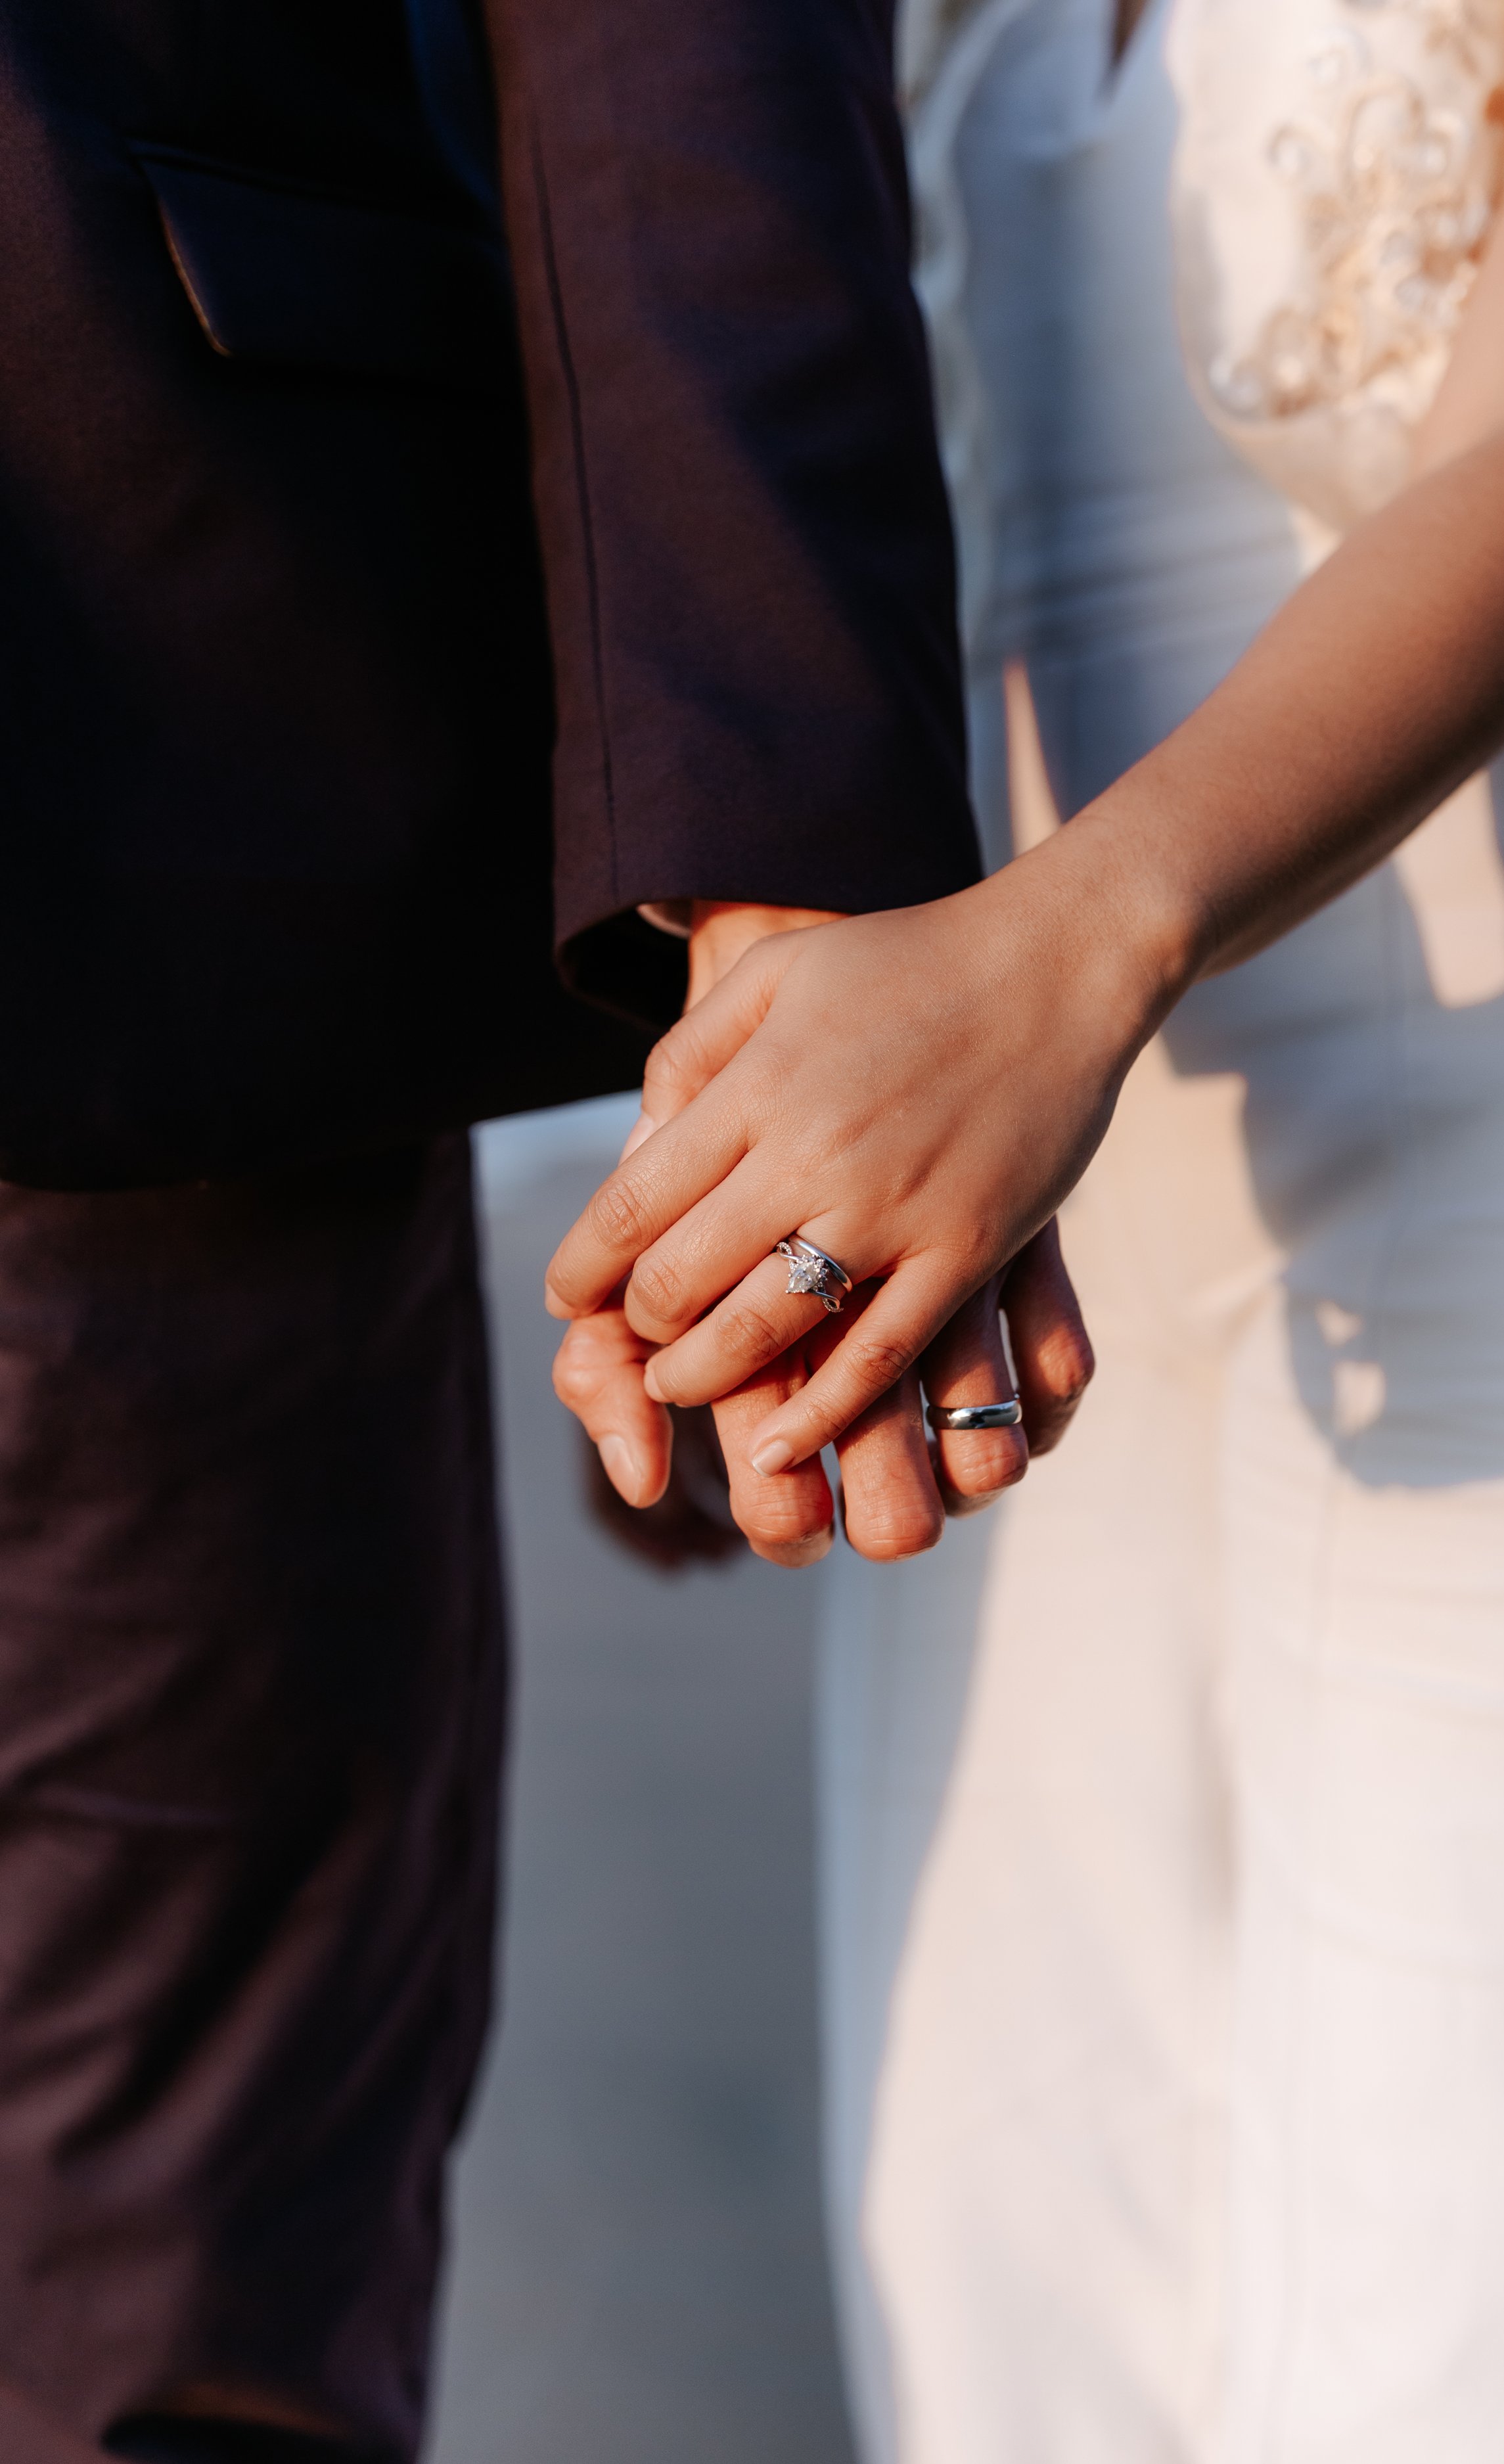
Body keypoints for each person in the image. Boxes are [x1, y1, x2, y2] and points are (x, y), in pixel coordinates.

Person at [0, 3, 1101, 2458]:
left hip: (113, 915)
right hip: (135, 812)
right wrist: (791, 957)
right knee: (141, 2309)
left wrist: (794, 1051)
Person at [549, 1, 1504, 2453]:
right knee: (1007, 2257)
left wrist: (1073, 953)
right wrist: (754, 1203)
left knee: (1468, 2299)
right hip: (1027, 1226)